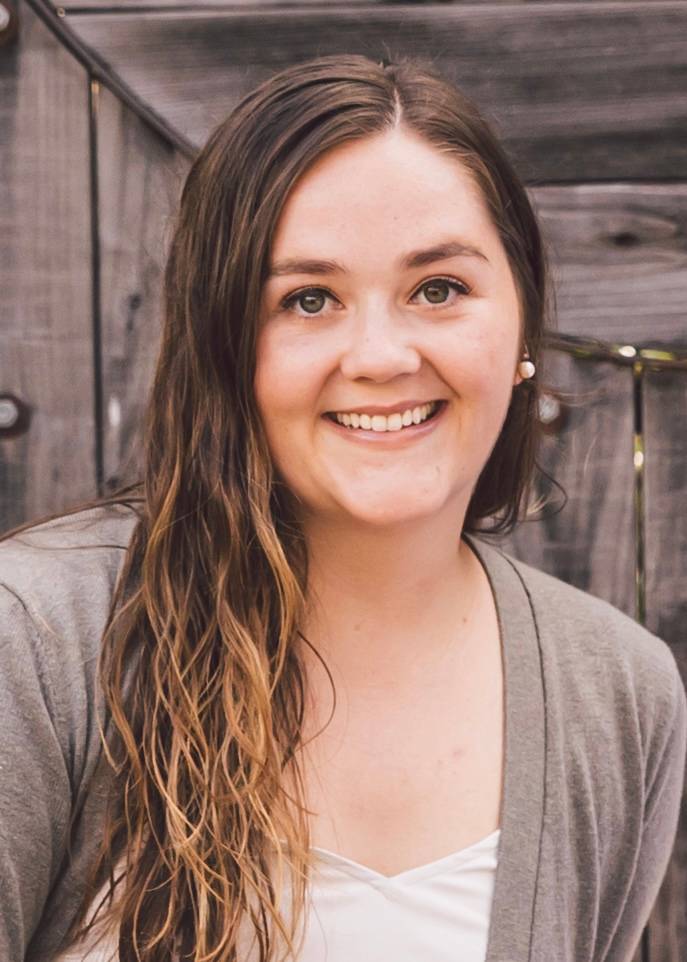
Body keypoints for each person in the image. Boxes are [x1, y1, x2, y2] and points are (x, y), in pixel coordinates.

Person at [1, 53, 685, 962]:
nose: (380, 354)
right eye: (308, 299)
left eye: (438, 289)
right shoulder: (38, 644)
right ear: (223, 345)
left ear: (521, 321)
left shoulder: (616, 690)